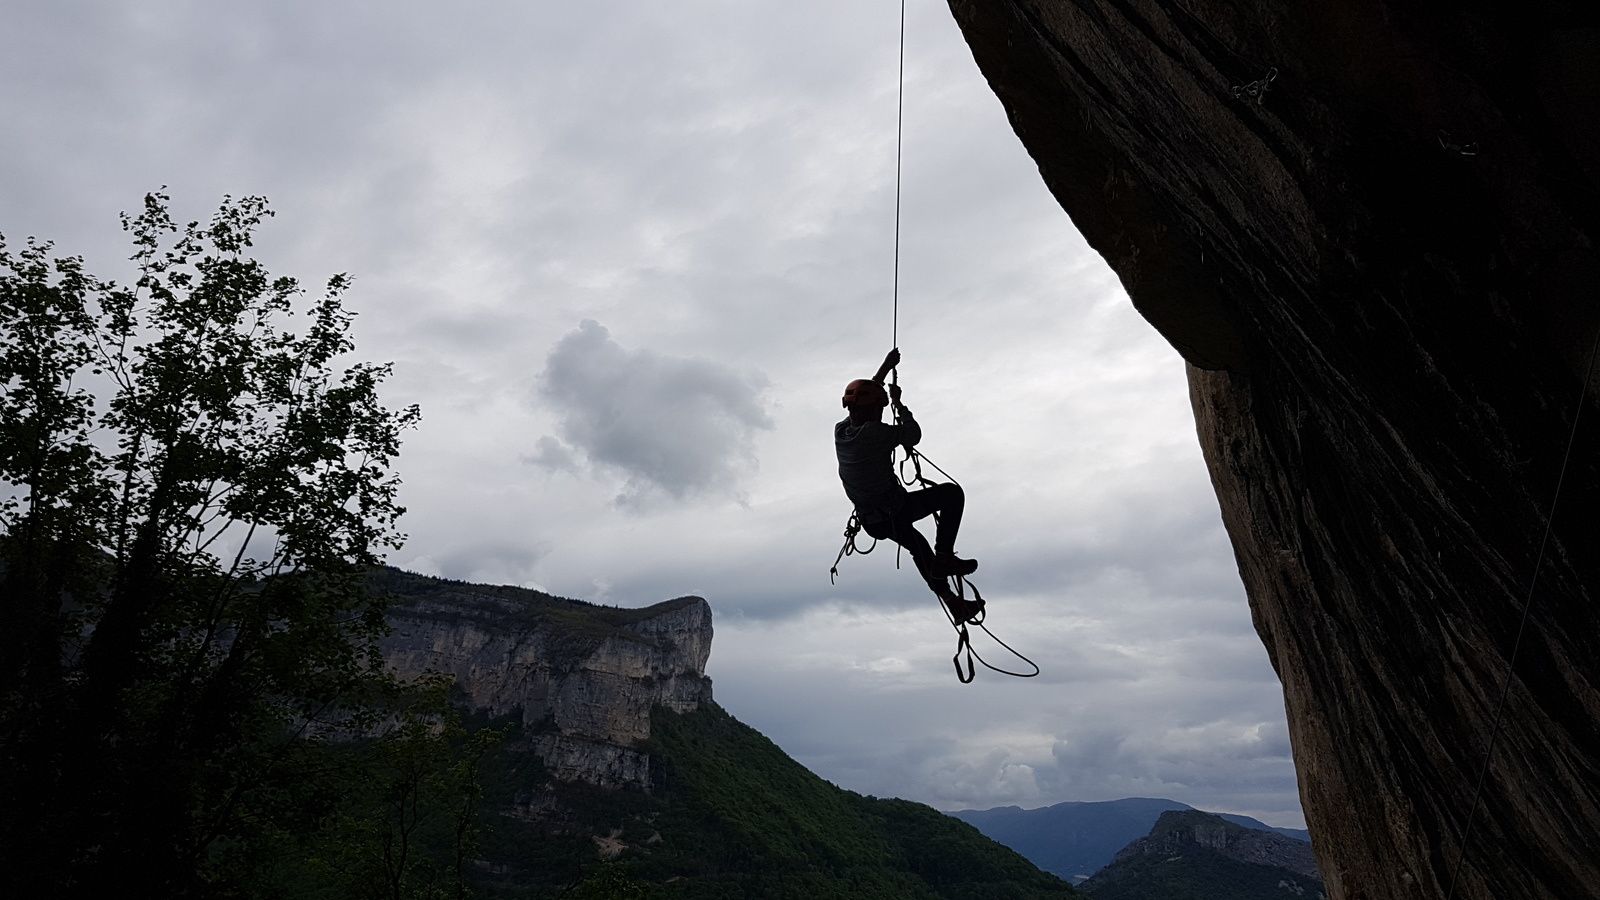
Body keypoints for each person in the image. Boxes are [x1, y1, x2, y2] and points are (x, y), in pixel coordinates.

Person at [835, 348, 983, 623]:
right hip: (895, 509)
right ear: (874, 409)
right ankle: (946, 556)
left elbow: (867, 395)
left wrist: (884, 368)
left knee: (918, 546)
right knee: (951, 494)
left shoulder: (842, 431)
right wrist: (900, 405)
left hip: (873, 521)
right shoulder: (875, 433)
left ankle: (954, 603)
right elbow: (913, 435)